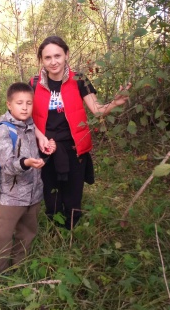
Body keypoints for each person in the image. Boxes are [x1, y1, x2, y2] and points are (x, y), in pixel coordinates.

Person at [31, 36, 131, 230]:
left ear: (66, 54)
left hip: (74, 148)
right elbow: (26, 118)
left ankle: (72, 232)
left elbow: (97, 110)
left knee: (73, 196)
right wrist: (41, 137)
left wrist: (115, 103)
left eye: (58, 55)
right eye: (48, 57)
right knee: (51, 196)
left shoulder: (79, 80)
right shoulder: (34, 84)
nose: (53, 62)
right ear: (41, 60)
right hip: (46, 148)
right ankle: (55, 232)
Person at [0, 82, 56, 274]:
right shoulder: (4, 130)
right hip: (12, 196)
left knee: (27, 232)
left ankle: (19, 266)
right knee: (3, 235)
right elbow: (7, 164)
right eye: (19, 103)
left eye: (28, 103)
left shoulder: (31, 126)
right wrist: (26, 163)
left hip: (34, 193)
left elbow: (36, 154)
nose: (25, 107)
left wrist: (47, 151)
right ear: (9, 104)